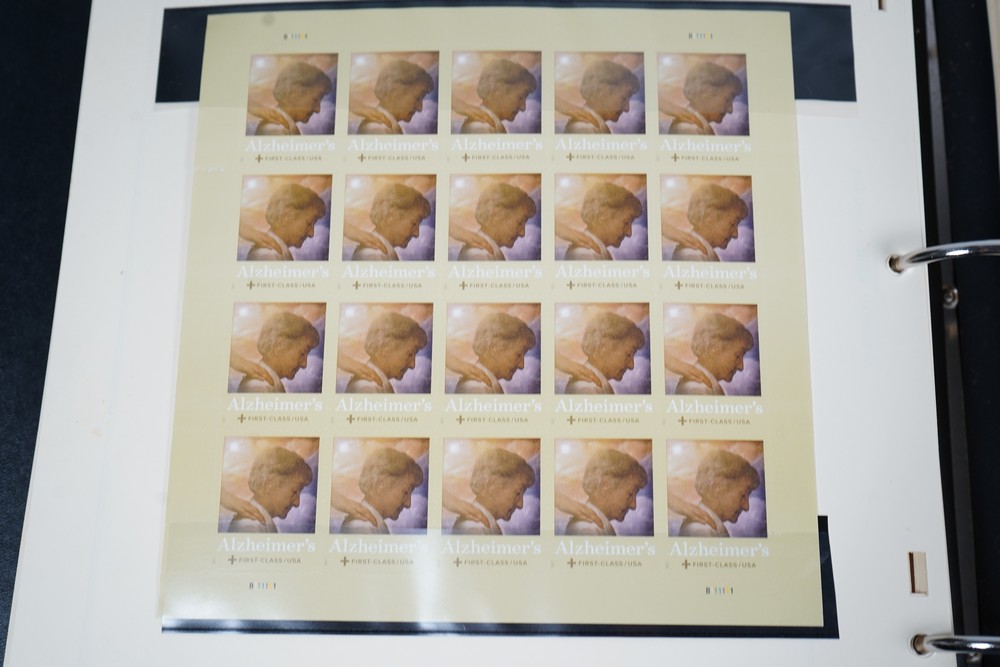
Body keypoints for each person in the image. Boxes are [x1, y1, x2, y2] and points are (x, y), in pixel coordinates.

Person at [451, 448, 535, 535]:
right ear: (493, 484)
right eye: (517, 493)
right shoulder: (474, 528)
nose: (520, 504)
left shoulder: (485, 526)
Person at [228, 447, 313, 533]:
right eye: (294, 492)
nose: (297, 503)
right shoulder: (249, 526)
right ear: (271, 483)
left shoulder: (259, 523)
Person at [340, 448, 424, 534]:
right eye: (405, 492)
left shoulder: (374, 525)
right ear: (381, 485)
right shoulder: (361, 527)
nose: (408, 504)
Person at [564, 449, 647, 536]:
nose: (634, 505)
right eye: (630, 494)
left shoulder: (596, 527)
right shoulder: (587, 530)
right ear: (606, 485)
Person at [678, 449, 760, 537]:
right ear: (718, 488)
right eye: (742, 495)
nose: (746, 507)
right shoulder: (700, 531)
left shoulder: (708, 528)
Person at [236, 312, 320, 393]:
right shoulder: (259, 387)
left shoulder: (270, 384)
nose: (304, 365)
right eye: (302, 354)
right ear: (279, 345)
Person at [453, 312, 536, 394]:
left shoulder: (487, 386)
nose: (522, 365)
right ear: (495, 348)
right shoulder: (476, 389)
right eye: (518, 355)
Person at [345, 312, 428, 393]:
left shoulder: (377, 386)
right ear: (386, 348)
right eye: (409, 354)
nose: (412, 365)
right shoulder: (367, 388)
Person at [564, 312, 646, 394]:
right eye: (628, 354)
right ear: (603, 347)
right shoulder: (587, 388)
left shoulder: (597, 386)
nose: (631, 365)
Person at [675, 313, 754, 396]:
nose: (741, 367)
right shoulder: (697, 389)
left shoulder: (706, 387)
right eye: (737, 356)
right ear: (713, 347)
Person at [455, 183, 536, 261]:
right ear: (496, 215)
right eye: (519, 223)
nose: (522, 233)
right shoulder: (479, 256)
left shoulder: (488, 253)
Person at [351, 183, 431, 261]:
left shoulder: (382, 253)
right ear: (391, 217)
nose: (417, 234)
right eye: (414, 223)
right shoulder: (371, 256)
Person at [246, 184, 326, 261]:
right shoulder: (267, 255)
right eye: (309, 223)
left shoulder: (278, 253)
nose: (311, 234)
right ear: (287, 216)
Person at [563, 182, 642, 260]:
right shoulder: (585, 254)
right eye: (626, 223)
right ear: (602, 215)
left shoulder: (597, 252)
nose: (629, 233)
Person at [671, 184, 748, 261]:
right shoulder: (692, 255)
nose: (735, 235)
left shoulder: (702, 254)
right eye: (732, 224)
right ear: (710, 218)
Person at [356, 59, 435, 134]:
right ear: (395, 93)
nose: (420, 108)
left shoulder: (387, 127)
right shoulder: (378, 130)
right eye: (417, 98)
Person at [459, 58, 537, 134]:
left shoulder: (491, 127)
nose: (523, 108)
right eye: (520, 97)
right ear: (498, 91)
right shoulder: (480, 128)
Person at [254, 61, 333, 136]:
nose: (318, 110)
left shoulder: (285, 128)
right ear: (294, 94)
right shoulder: (275, 130)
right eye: (315, 99)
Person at [666, 61, 743, 136]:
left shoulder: (701, 128)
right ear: (704, 94)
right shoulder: (688, 130)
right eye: (727, 100)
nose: (730, 110)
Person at [563, 60, 640, 134]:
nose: (627, 109)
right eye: (623, 98)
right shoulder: (585, 129)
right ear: (602, 92)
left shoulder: (594, 127)